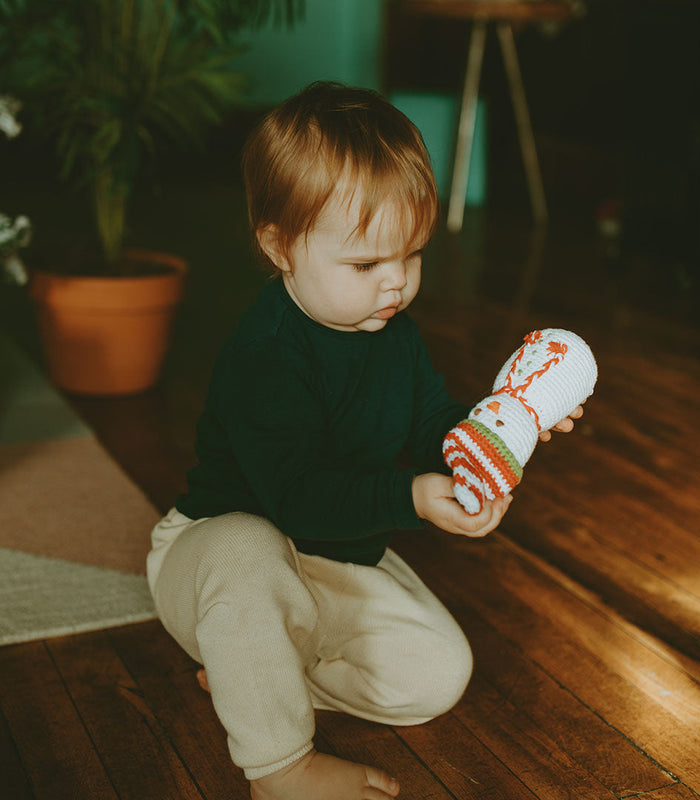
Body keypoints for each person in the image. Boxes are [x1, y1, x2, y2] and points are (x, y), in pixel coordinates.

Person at [146, 81, 581, 800]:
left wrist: (506, 426)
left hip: (332, 558)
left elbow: (431, 420)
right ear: (279, 247)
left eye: (410, 257)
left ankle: (251, 677)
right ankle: (279, 764)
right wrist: (412, 496)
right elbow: (300, 497)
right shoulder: (266, 356)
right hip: (219, 562)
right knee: (245, 545)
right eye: (365, 265)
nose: (395, 285)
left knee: (439, 673)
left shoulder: (393, 337)